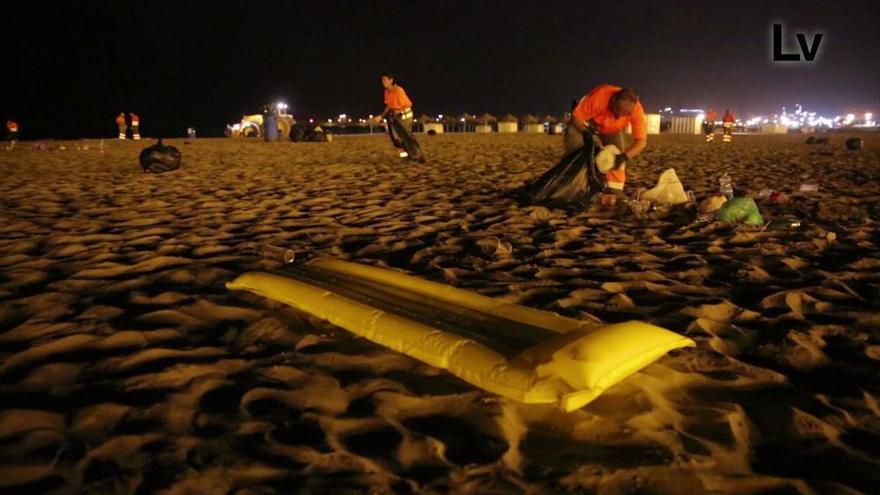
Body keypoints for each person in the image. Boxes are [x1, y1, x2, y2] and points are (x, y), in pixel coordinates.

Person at [564, 84, 647, 194]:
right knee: (575, 148)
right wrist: (585, 132)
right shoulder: (600, 97)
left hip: (611, 129)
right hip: (586, 123)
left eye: (625, 114)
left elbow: (641, 141)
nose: (620, 116)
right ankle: (568, 183)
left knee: (616, 154)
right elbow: (576, 118)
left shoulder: (636, 110)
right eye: (618, 111)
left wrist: (625, 156)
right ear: (613, 101)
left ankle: (614, 189)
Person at [373, 73, 424, 162]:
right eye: (382, 80)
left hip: (404, 115)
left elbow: (408, 104)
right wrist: (381, 116)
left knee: (406, 135)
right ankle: (408, 154)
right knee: (395, 138)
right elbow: (388, 106)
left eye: (385, 80)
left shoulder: (398, 90)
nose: (383, 82)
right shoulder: (386, 92)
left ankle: (418, 155)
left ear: (391, 80)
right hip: (394, 116)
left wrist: (398, 111)